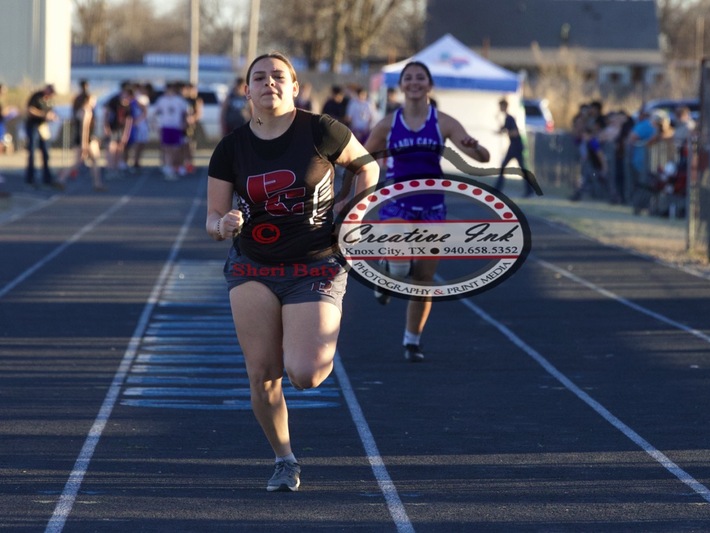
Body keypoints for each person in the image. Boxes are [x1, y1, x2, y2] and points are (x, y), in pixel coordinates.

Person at [205, 52, 379, 493]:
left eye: (278, 76)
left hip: (315, 262)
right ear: (247, 90)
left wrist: (355, 209)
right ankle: (284, 459)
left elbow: (368, 166)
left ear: (295, 86)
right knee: (262, 375)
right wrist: (223, 225)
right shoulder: (230, 147)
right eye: (259, 77)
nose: (270, 83)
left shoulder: (322, 130)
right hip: (252, 264)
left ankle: (305, 333)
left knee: (306, 373)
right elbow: (212, 217)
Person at [363, 61, 490, 363]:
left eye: (420, 78)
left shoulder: (443, 122)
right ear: (401, 86)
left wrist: (474, 147)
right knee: (400, 262)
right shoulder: (388, 124)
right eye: (408, 78)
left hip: (432, 207)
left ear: (429, 85)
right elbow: (362, 158)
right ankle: (389, 269)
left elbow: (482, 157)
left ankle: (412, 341)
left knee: (422, 279)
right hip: (397, 202)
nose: (414, 83)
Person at [56, 80, 105, 191]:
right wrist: (84, 144)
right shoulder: (86, 111)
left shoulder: (80, 110)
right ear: (88, 100)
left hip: (87, 139)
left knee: (92, 161)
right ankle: (61, 178)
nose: (95, 101)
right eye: (93, 99)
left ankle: (97, 183)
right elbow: (84, 129)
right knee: (81, 162)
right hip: (86, 139)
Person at [150, 82, 189, 180]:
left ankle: (176, 166)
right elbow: (154, 113)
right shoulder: (161, 100)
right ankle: (168, 167)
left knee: (176, 149)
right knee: (166, 148)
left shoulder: (179, 100)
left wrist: (185, 123)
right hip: (166, 127)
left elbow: (185, 113)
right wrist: (155, 124)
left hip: (176, 127)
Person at [495, 99, 533, 196]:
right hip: (513, 146)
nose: (499, 108)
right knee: (505, 167)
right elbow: (503, 129)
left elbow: (515, 132)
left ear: (504, 106)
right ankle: (497, 188)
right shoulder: (507, 118)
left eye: (501, 106)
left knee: (521, 168)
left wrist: (506, 133)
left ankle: (529, 190)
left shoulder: (510, 118)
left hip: (516, 147)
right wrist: (498, 120)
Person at [24, 84, 58, 189]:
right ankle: (30, 177)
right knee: (32, 151)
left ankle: (47, 177)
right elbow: (30, 110)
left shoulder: (49, 101)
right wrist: (43, 114)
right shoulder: (37, 97)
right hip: (33, 126)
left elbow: (51, 112)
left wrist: (52, 117)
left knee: (45, 152)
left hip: (43, 127)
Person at [103, 83, 134, 178]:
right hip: (113, 128)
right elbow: (106, 113)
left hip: (121, 129)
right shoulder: (114, 101)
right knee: (111, 148)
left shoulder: (128, 105)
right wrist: (106, 127)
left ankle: (116, 168)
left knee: (119, 149)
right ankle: (110, 168)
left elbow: (129, 120)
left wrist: (126, 133)